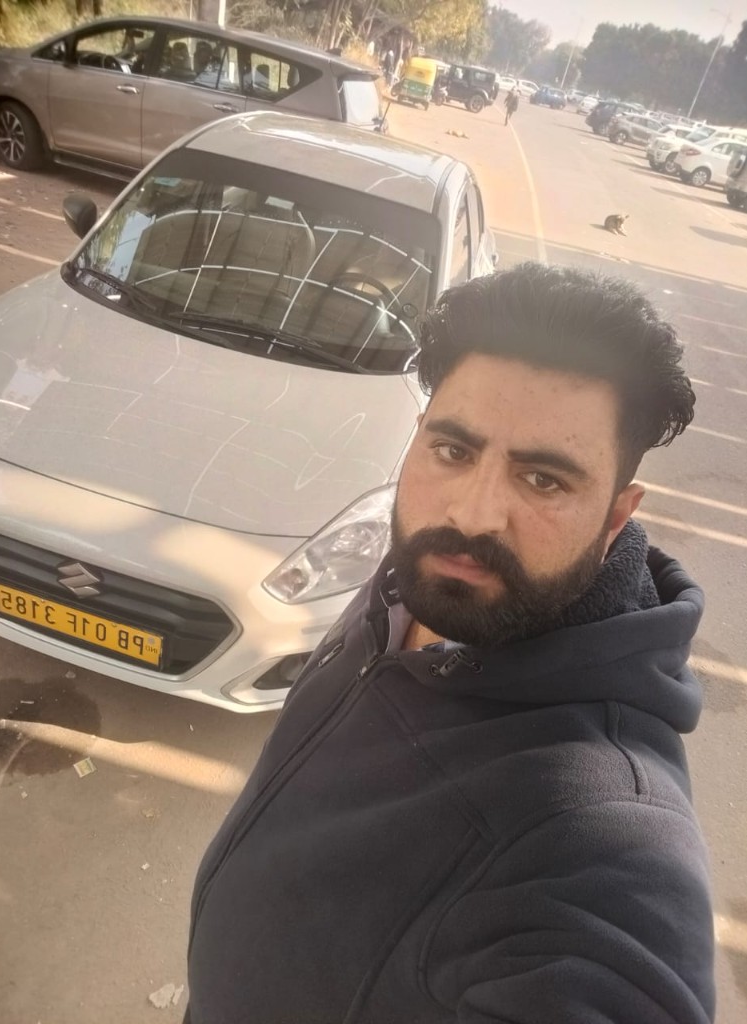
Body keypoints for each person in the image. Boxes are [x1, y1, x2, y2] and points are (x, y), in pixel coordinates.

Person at [185, 264, 715, 1024]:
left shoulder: (601, 842)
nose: (471, 514)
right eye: (454, 451)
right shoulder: (416, 584)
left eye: (543, 480)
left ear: (614, 517)